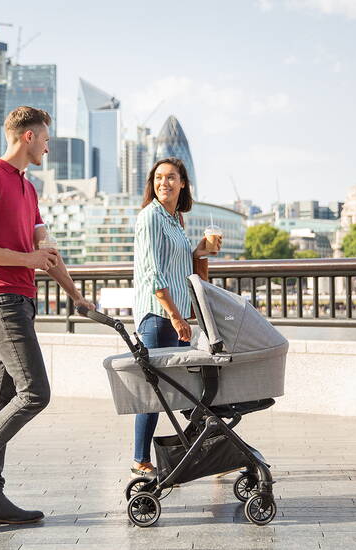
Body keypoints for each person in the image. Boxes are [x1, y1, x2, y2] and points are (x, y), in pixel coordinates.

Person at [0, 106, 94, 529]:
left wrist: (77, 296)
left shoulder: (29, 190)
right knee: (35, 392)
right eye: (46, 137)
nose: (49, 145)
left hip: (21, 301)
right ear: (28, 137)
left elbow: (46, 253)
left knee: (0, 402)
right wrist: (26, 258)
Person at [131, 157, 222, 478]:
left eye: (171, 177)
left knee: (179, 388)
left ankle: (200, 448)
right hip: (159, 316)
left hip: (175, 315)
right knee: (155, 389)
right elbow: (153, 273)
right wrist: (175, 316)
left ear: (183, 183)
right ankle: (141, 460)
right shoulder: (151, 218)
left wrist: (199, 251)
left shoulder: (174, 219)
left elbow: (181, 267)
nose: (164, 183)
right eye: (158, 178)